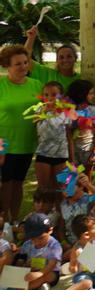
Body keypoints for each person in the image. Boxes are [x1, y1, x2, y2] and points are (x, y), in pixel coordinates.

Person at [0, 45, 44, 220]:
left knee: (18, 183)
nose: (23, 67)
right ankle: (4, 222)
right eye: (18, 64)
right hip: (4, 144)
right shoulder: (1, 85)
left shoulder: (37, 85)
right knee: (5, 184)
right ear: (7, 66)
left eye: (25, 62)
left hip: (27, 143)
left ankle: (14, 219)